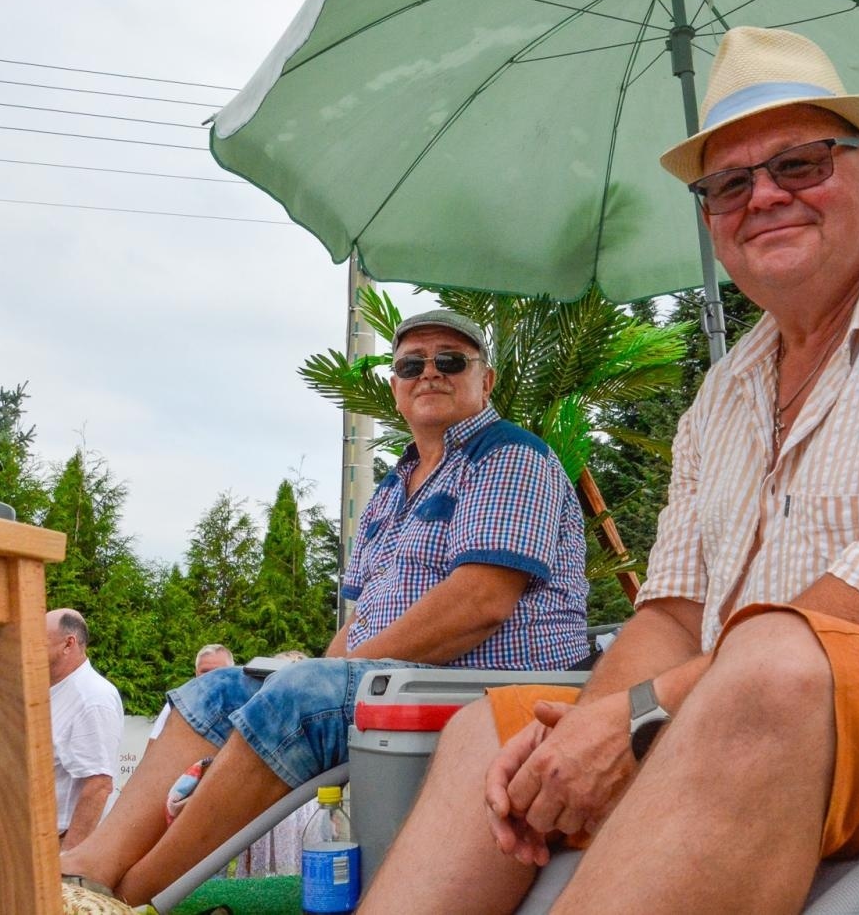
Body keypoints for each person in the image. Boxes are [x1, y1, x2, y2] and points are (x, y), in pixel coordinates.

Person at [361, 28, 859, 915]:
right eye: (728, 183)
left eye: (798, 164)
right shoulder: (726, 389)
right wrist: (585, 732)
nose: (763, 197)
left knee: (770, 669)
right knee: (491, 733)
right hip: (781, 707)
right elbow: (672, 612)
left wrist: (643, 717)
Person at [59, 309, 590, 904]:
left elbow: (478, 604)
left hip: (487, 688)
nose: (429, 373)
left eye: (450, 360)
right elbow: (356, 622)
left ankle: (132, 895)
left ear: (485, 381)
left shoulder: (509, 457)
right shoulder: (393, 490)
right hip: (397, 681)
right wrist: (317, 668)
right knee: (222, 690)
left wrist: (332, 672)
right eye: (411, 364)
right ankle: (91, 864)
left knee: (304, 693)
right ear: (395, 388)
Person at [47, 608, 125, 848]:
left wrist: (69, 860)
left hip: (64, 845)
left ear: (68, 644)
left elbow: (98, 785)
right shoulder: (54, 690)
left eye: (36, 642)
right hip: (40, 844)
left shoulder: (92, 698)